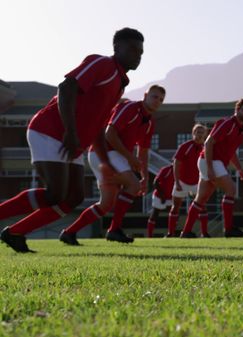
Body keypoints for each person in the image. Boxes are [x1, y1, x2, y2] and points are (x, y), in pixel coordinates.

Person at [0, 28, 144, 253]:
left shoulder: (119, 82)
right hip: (50, 131)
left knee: (73, 198)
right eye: (132, 49)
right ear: (117, 48)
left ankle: (15, 233)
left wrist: (104, 161)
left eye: (141, 52)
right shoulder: (103, 64)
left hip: (73, 142)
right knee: (55, 194)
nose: (138, 55)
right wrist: (70, 131)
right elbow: (66, 87)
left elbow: (98, 124)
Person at [59, 85, 165, 245]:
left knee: (106, 204)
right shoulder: (130, 107)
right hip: (103, 152)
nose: (157, 101)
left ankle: (69, 233)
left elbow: (143, 152)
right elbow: (109, 134)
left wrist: (144, 177)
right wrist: (130, 159)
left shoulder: (150, 122)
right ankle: (114, 230)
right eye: (154, 96)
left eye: (161, 99)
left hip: (114, 156)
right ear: (145, 95)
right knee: (132, 185)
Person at [180, 98, 243, 238]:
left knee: (201, 199)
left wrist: (240, 169)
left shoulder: (240, 130)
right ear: (237, 110)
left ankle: (186, 232)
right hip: (211, 161)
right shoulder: (227, 123)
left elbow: (231, 153)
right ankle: (229, 229)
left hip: (211, 162)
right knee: (231, 189)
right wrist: (210, 168)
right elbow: (208, 143)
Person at [165, 124, 207, 237]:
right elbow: (176, 164)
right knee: (175, 207)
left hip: (198, 183)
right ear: (193, 133)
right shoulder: (185, 146)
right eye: (197, 132)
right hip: (182, 182)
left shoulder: (206, 148)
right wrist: (177, 182)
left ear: (205, 135)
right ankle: (170, 233)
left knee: (202, 207)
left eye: (202, 132)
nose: (200, 134)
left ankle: (204, 233)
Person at [145, 164, 174, 238]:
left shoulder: (181, 170)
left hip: (170, 197)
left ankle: (170, 234)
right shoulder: (166, 169)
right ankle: (149, 236)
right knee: (155, 214)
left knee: (173, 214)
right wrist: (162, 196)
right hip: (159, 196)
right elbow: (155, 182)